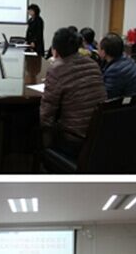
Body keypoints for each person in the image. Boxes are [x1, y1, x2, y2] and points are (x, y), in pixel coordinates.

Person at [40, 27, 107, 158]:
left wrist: (44, 136)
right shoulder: (93, 64)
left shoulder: (57, 69)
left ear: (55, 50)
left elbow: (47, 111)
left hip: (75, 139)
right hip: (98, 134)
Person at [99, 33, 136, 99]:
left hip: (132, 103)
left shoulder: (114, 70)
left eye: (98, 48)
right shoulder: (128, 59)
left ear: (103, 52)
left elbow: (108, 97)